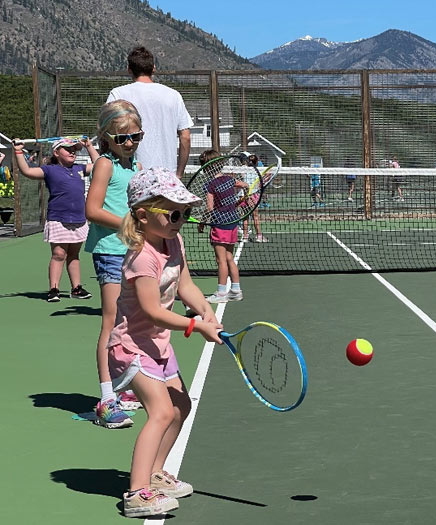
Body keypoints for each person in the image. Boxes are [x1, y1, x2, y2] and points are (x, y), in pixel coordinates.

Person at [109, 167, 222, 517]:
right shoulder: (142, 257)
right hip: (131, 348)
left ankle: (155, 474)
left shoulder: (174, 241)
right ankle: (136, 492)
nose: (180, 220)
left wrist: (205, 308)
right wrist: (195, 326)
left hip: (158, 346)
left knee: (181, 407)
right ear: (143, 215)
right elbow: (153, 311)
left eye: (185, 214)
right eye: (173, 213)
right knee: (159, 412)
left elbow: (185, 284)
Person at [85, 100, 144, 429]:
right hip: (109, 251)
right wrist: (126, 223)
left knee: (130, 322)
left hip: (131, 250)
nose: (130, 143)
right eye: (122, 138)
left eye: (136, 136)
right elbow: (92, 210)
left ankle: (123, 388)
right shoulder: (105, 165)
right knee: (111, 322)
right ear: (106, 138)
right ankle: (107, 400)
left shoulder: (134, 164)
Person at [13, 137, 98, 302]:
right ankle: (54, 289)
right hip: (58, 218)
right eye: (68, 149)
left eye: (74, 149)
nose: (72, 151)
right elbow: (27, 171)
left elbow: (100, 165)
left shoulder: (80, 168)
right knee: (59, 254)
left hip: (79, 219)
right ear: (56, 152)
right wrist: (18, 151)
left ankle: (76, 288)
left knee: (74, 254)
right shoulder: (49, 170)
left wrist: (88, 146)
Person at [107, 46, 193, 179]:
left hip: (130, 175)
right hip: (167, 177)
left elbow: (106, 132)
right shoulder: (173, 95)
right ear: (153, 68)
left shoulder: (118, 94)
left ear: (129, 69)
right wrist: (179, 173)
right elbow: (185, 137)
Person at [197, 149, 246, 303]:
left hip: (220, 224)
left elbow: (210, 208)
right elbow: (244, 184)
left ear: (206, 168)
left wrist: (202, 222)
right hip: (233, 223)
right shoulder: (230, 180)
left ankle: (221, 293)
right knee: (229, 258)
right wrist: (240, 197)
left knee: (221, 260)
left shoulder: (210, 184)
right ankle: (236, 290)